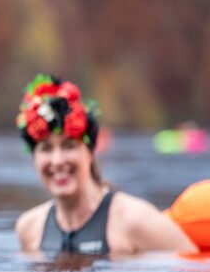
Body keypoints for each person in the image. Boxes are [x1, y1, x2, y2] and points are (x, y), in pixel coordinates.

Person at [14, 74, 197, 255]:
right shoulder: (30, 228)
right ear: (34, 158)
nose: (58, 161)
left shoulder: (134, 220)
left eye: (69, 146)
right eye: (46, 149)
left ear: (90, 152)